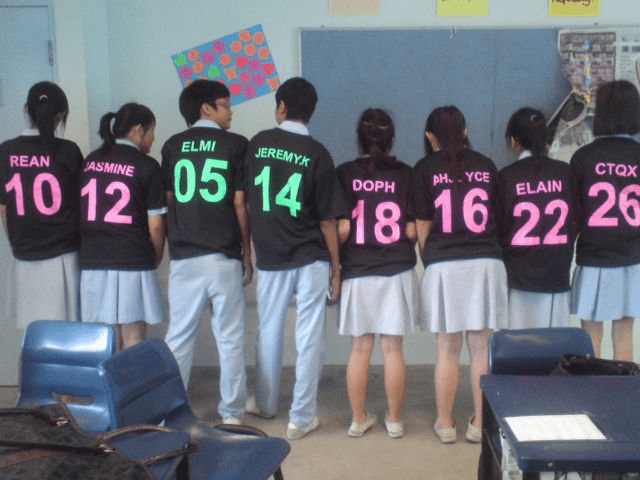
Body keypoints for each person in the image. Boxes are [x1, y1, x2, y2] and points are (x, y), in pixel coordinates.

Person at [244, 77, 346, 440]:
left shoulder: (258, 144)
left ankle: (266, 403)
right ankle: (301, 418)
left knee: (269, 329)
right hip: (311, 255)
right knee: (309, 336)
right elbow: (328, 220)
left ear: (282, 106)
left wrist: (247, 249)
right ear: (311, 111)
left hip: (271, 253)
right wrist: (336, 268)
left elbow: (246, 201)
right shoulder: (318, 153)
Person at [413, 106, 507, 444]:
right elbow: (498, 217)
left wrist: (431, 259)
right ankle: (480, 424)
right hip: (486, 262)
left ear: (430, 136)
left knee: (447, 348)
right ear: (465, 131)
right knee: (480, 348)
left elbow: (422, 225)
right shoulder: (487, 165)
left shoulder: (424, 168)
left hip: (444, 263)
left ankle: (445, 423)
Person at [161, 80, 251, 424]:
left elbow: (169, 203)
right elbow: (240, 203)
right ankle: (232, 413)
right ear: (206, 108)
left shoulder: (172, 145)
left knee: (179, 337)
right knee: (229, 338)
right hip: (223, 255)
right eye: (225, 104)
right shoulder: (236, 144)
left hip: (184, 256)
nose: (231, 111)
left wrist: (177, 240)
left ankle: (171, 411)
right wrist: (247, 252)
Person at [336, 108, 419, 439]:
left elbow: (343, 228)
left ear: (358, 138)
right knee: (393, 349)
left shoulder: (345, 173)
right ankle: (395, 420)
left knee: (360, 348)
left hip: (357, 270)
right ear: (392, 138)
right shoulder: (407, 175)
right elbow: (411, 231)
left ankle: (358, 419)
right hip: (396, 269)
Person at [79, 103, 167, 350]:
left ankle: (104, 378)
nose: (153, 137)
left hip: (93, 260)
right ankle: (130, 379)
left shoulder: (91, 160)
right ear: (138, 130)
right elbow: (156, 225)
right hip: (132, 259)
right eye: (152, 130)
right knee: (134, 338)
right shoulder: (147, 165)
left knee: (102, 341)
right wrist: (155, 256)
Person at [0, 81, 83, 328]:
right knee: (68, 334)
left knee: (34, 335)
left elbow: (4, 209)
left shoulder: (5, 151)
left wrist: (18, 243)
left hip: (24, 256)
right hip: (65, 256)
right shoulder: (68, 151)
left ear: (27, 110)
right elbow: (82, 204)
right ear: (62, 114)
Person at [570, 80, 640, 361]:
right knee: (624, 335)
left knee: (591, 337)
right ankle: (625, 390)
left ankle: (593, 389)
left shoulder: (583, 157)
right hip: (633, 258)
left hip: (594, 258)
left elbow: (574, 214)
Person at [496, 107, 577, 329]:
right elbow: (575, 221)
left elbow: (499, 226)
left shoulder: (506, 176)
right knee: (554, 343)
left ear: (514, 142)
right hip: (556, 271)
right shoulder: (564, 172)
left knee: (518, 342)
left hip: (518, 274)